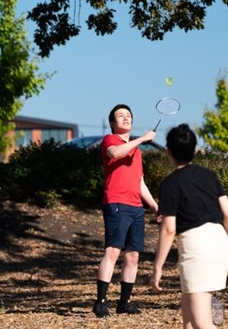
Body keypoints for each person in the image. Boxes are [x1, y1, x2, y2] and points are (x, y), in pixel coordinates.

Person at [150, 124, 228, 329]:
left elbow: (169, 229)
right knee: (188, 313)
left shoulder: (170, 184)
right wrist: (226, 243)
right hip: (220, 240)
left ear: (168, 151)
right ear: (194, 150)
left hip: (196, 247)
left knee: (201, 322)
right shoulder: (210, 176)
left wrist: (157, 267)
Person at [92, 104, 159, 318]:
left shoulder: (136, 151)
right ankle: (100, 302)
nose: (126, 118)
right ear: (113, 123)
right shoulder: (110, 140)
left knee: (133, 256)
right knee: (113, 251)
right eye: (121, 116)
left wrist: (154, 204)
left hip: (135, 207)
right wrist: (141, 139)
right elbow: (115, 153)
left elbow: (139, 182)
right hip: (116, 203)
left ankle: (124, 302)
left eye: (128, 115)